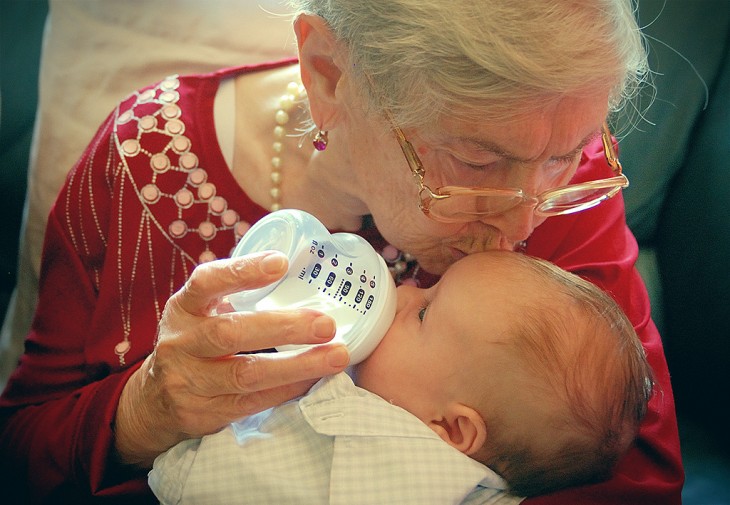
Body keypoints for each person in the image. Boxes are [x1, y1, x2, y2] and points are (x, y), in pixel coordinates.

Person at [0, 0, 683, 503]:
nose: (526, 215)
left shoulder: (545, 160)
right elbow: (18, 455)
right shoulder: (146, 166)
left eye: (566, 156)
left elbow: (633, 470)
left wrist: (546, 162)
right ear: (328, 73)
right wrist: (142, 410)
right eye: (474, 160)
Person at [148, 251, 654, 504]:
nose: (405, 291)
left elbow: (190, 479)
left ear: (452, 430)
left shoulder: (361, 435)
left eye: (424, 313)